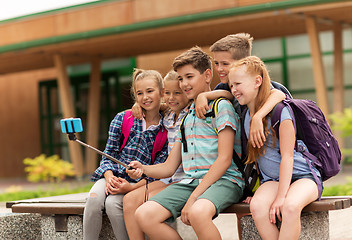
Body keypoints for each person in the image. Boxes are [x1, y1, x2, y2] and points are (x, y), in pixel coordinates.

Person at [127, 46, 244, 240]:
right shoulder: (186, 117)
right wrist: (143, 169)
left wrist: (194, 197)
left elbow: (224, 160)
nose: (183, 84)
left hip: (225, 180)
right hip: (191, 182)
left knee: (198, 213)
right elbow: (169, 167)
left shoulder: (221, 107)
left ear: (207, 75)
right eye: (180, 79)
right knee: (144, 214)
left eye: (189, 77)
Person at [228, 56, 321, 240]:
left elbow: (288, 157)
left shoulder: (280, 112)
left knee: (290, 207)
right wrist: (251, 192)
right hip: (272, 180)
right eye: (231, 85)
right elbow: (255, 160)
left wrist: (280, 197)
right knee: (257, 207)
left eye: (238, 83)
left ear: (257, 81)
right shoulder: (246, 116)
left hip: (303, 176)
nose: (234, 90)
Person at [83, 69, 168, 240]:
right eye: (140, 93)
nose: (145, 97)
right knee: (93, 199)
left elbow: (159, 171)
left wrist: (130, 186)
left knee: (113, 204)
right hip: (111, 176)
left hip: (138, 183)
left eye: (150, 91)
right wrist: (109, 177)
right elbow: (108, 154)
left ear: (161, 92)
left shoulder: (166, 129)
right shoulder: (123, 119)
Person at [122, 70, 191, 240]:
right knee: (129, 201)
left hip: (184, 178)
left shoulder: (189, 114)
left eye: (177, 93)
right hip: (168, 178)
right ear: (162, 93)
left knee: (146, 206)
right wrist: (138, 106)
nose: (171, 97)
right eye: (167, 93)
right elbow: (158, 106)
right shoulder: (167, 115)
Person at [195, 33, 286, 149]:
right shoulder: (221, 88)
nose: (219, 69)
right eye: (216, 63)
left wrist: (258, 117)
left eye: (225, 64)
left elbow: (279, 94)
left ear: (243, 62)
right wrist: (204, 96)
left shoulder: (259, 86)